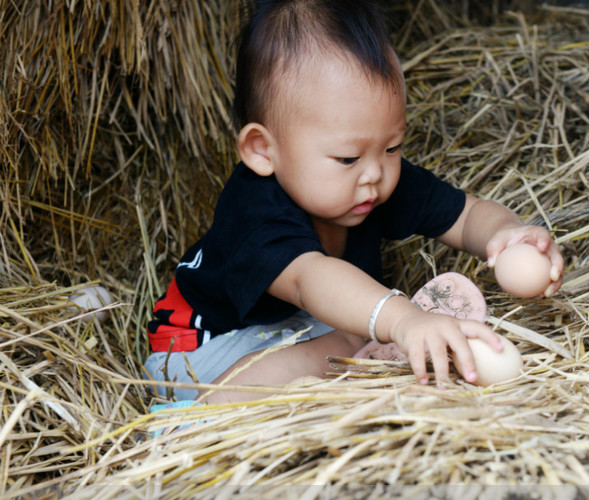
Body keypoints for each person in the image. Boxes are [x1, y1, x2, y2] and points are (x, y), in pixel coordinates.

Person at [144, 0, 564, 404]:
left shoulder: (369, 177)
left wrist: (505, 233)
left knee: (357, 332)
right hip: (199, 350)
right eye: (347, 157)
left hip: (290, 326)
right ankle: (195, 423)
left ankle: (373, 360)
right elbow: (311, 281)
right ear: (262, 150)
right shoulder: (253, 212)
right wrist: (402, 319)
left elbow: (465, 214)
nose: (375, 174)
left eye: (394, 146)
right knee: (356, 335)